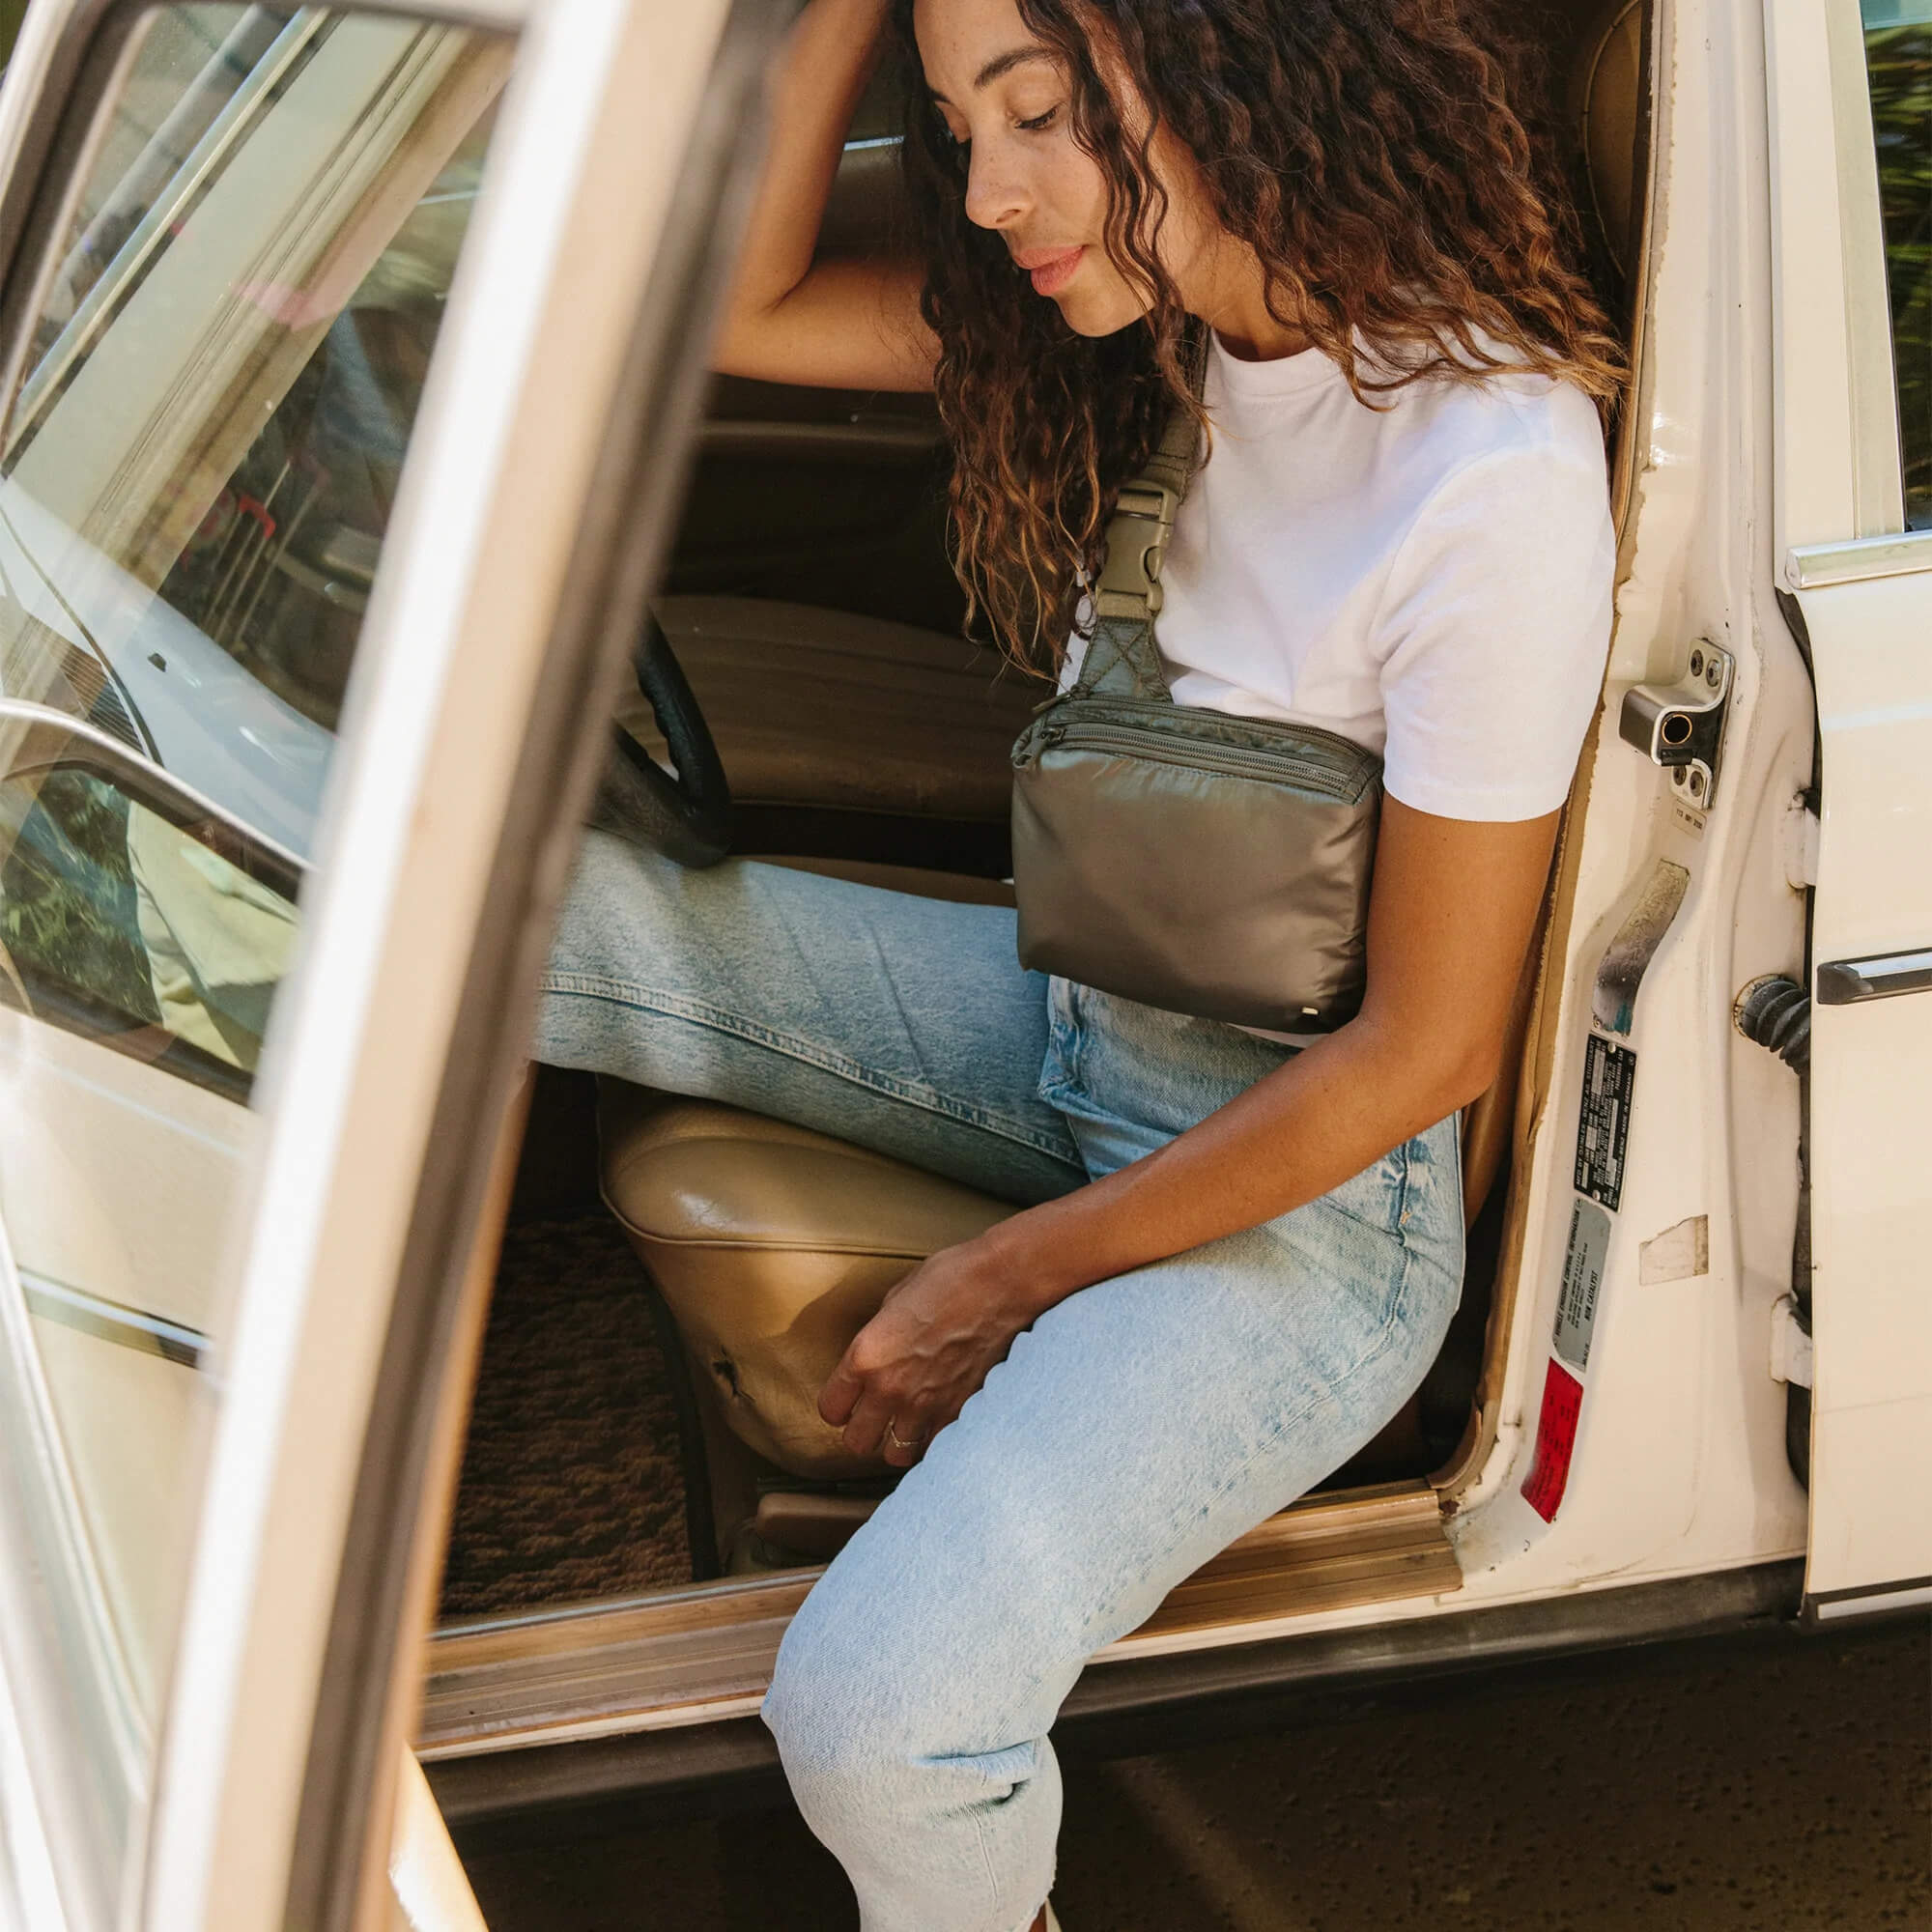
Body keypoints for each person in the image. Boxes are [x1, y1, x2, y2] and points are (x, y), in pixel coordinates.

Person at [535, 0, 1621, 1925]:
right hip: (1070, 1026)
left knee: (884, 1718)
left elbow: (1425, 1050)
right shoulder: (1160, 331)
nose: (990, 192)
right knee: (521, 916)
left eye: (1037, 112)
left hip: (1309, 1214)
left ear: (1237, 70)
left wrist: (1006, 1275)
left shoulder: (1490, 473)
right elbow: (728, 303)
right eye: (959, 129)